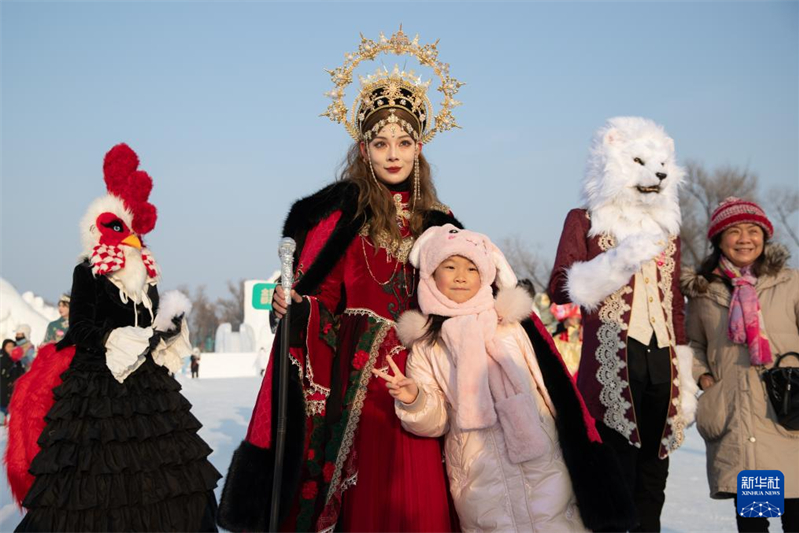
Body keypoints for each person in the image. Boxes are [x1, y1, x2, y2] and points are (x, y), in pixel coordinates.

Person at [218, 28, 463, 533]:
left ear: (419, 147)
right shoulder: (343, 215)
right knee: (369, 496)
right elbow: (321, 292)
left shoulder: (441, 221)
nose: (392, 153)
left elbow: (466, 292)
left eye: (403, 141)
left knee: (426, 495)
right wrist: (296, 306)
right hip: (358, 384)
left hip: (424, 375)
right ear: (364, 147)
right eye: (380, 142)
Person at [9, 143, 220, 532]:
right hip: (96, 389)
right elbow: (81, 328)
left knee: (170, 476)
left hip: (147, 389)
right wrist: (115, 339)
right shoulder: (88, 271)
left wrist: (167, 328)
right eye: (123, 228)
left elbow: (149, 326)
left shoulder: (146, 276)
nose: (133, 239)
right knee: (89, 486)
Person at [377, 225, 636, 532]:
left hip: (542, 458)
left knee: (555, 522)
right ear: (431, 275)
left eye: (472, 268)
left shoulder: (511, 326)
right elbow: (437, 420)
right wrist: (415, 399)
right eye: (450, 266)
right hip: (478, 469)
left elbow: (548, 386)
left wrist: (575, 437)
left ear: (486, 275)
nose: (461, 276)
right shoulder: (428, 344)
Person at [548, 117, 698, 532]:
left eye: (662, 164)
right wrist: (614, 263)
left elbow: (676, 309)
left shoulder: (669, 234)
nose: (657, 174)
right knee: (616, 475)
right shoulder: (585, 220)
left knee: (654, 478)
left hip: (662, 363)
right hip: (611, 365)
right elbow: (560, 288)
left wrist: (684, 375)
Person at [681, 197, 799, 532]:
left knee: (796, 516)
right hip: (742, 422)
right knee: (754, 524)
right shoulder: (704, 293)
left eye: (753, 230)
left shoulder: (790, 282)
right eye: (734, 231)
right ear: (719, 240)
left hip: (789, 416)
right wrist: (704, 377)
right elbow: (694, 344)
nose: (745, 239)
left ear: (765, 237)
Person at [1, 339, 24, 425]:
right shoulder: (1, 359)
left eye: (12, 346)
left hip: (13, 396)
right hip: (1, 396)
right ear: (4, 347)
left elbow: (21, 375)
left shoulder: (17, 361)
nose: (11, 348)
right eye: (8, 346)